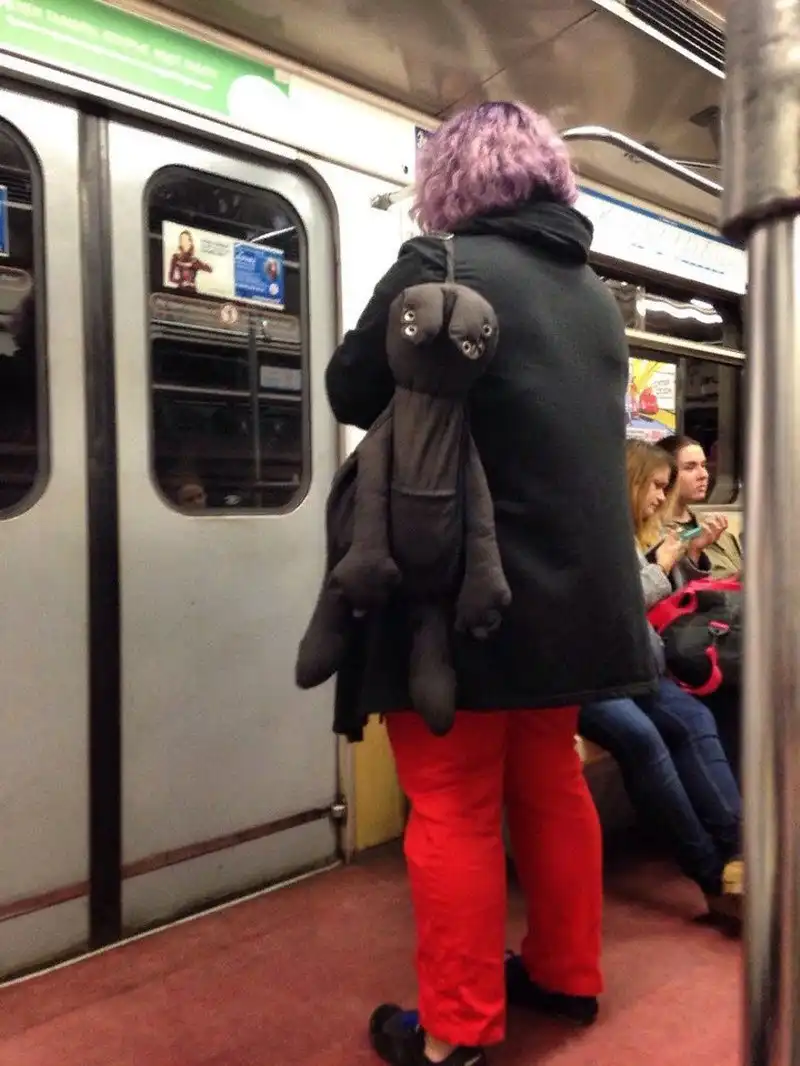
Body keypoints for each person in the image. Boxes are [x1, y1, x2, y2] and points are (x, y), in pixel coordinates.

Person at [324, 101, 655, 1066]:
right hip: (578, 598)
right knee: (551, 782)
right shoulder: (594, 294)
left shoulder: (441, 264)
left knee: (454, 802)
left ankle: (456, 1035)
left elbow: (352, 387)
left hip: (463, 587)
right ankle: (567, 972)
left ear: (449, 180)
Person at [579, 440, 743, 923]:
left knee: (695, 718)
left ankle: (739, 849)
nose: (659, 497)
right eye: (655, 486)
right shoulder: (593, 535)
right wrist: (663, 566)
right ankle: (710, 873)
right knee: (643, 739)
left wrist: (683, 556)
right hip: (591, 676)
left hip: (638, 667)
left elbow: (664, 602)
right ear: (630, 482)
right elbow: (611, 609)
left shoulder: (633, 534)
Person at [659, 434, 742, 577]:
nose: (704, 474)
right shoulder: (655, 536)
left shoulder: (718, 530)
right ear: (665, 475)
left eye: (703, 465)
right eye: (690, 468)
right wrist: (694, 553)